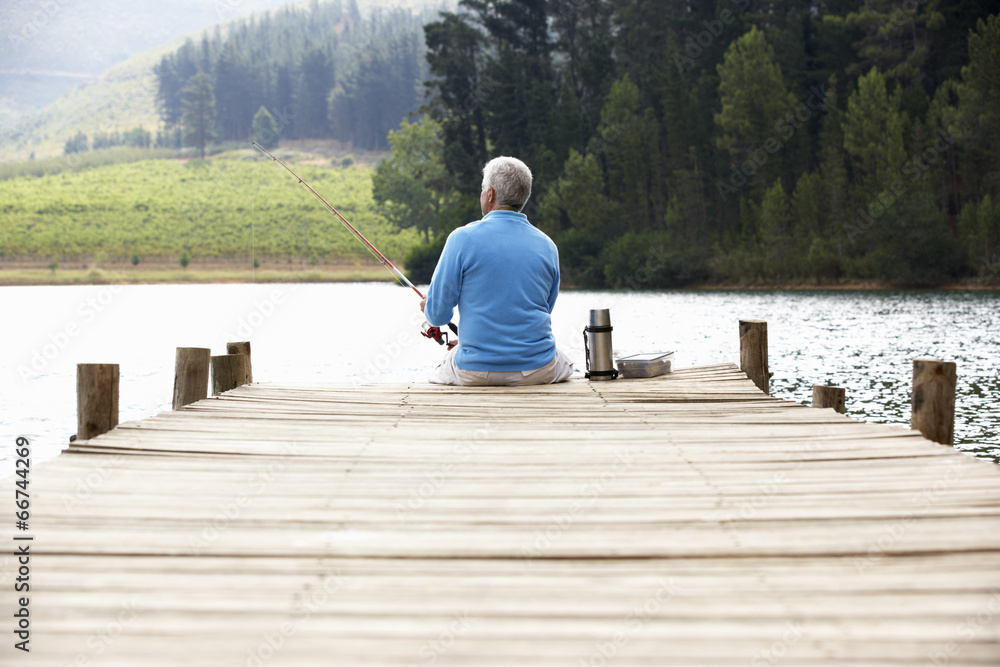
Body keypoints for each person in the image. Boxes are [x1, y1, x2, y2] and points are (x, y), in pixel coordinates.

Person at [420, 156, 573, 386]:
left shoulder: (461, 239)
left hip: (475, 372)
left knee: (441, 368)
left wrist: (427, 306)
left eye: (482, 189)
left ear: (489, 194)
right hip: (537, 370)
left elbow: (438, 316)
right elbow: (545, 307)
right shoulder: (548, 245)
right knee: (567, 362)